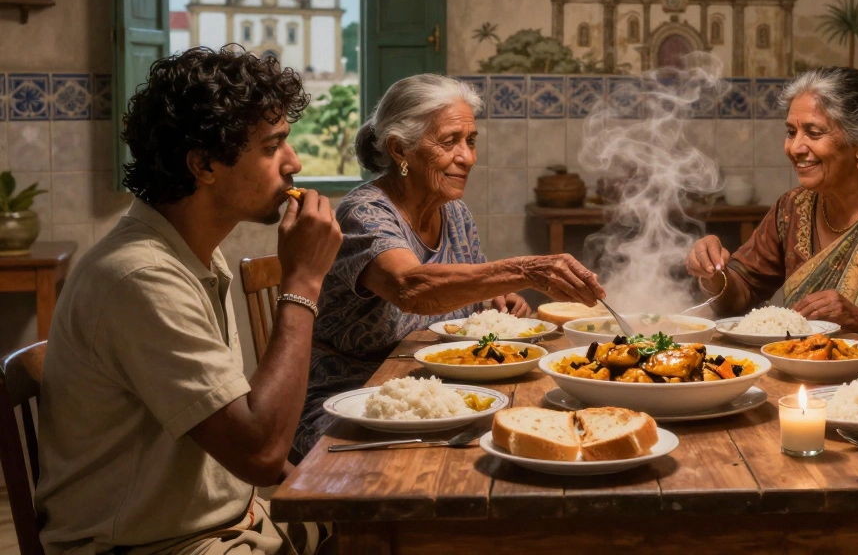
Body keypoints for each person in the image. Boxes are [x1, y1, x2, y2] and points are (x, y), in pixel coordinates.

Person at [35, 47, 343, 554]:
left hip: (231, 522)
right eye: (273, 146)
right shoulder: (140, 277)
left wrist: (321, 490)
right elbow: (260, 454)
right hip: (158, 547)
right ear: (203, 164)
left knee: (392, 528)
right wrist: (303, 283)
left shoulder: (195, 257)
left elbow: (248, 443)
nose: (295, 163)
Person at [294, 74, 605, 456]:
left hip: (428, 395)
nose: (468, 157)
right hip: (352, 402)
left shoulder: (454, 213)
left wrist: (495, 300)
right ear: (399, 149)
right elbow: (411, 287)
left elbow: (462, 288)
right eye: (449, 142)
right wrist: (525, 271)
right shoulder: (364, 211)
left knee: (535, 426)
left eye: (471, 141)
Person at [685, 66, 858, 375]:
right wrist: (713, 274)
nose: (795, 147)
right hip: (811, 382)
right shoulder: (794, 207)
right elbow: (739, 298)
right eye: (791, 132)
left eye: (813, 132)